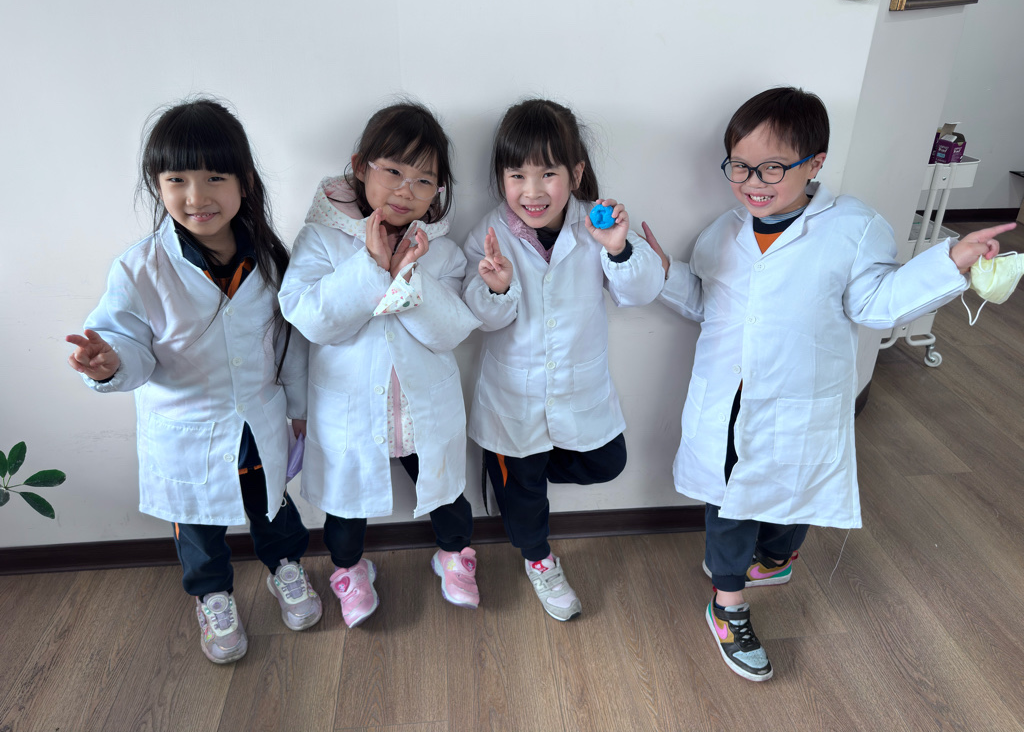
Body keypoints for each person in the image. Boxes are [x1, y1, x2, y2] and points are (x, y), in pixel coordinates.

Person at [641, 86, 1015, 681]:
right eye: (740, 166)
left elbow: (877, 304)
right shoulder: (723, 232)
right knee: (730, 500)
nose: (753, 182)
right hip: (729, 398)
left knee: (797, 493)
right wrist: (661, 273)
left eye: (772, 167)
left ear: (814, 163)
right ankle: (727, 604)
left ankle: (777, 558)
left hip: (802, 399)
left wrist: (950, 261)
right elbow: (704, 301)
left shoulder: (854, 228)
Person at [66, 98, 320, 665]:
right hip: (188, 429)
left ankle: (285, 567)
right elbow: (129, 346)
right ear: (156, 185)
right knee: (199, 528)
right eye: (177, 179)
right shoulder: (139, 269)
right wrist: (110, 364)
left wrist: (300, 408)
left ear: (244, 182)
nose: (196, 196)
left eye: (214, 178)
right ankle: (213, 597)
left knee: (273, 507)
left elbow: (290, 344)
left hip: (257, 420)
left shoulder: (270, 260)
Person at [279, 102, 482, 627]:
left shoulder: (441, 251)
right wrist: (370, 268)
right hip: (351, 411)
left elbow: (451, 330)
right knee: (346, 506)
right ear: (360, 167)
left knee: (446, 491)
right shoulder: (321, 239)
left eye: (423, 180)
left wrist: (409, 277)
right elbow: (310, 318)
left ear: (438, 190)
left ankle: (454, 554)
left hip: (421, 409)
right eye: (392, 171)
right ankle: (349, 569)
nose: (405, 190)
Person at [461, 99, 664, 621]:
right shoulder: (488, 234)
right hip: (514, 394)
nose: (532, 192)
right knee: (524, 493)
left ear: (575, 174)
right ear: (501, 178)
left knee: (607, 461)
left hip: (579, 387)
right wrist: (497, 288)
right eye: (517, 175)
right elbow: (480, 317)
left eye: (548, 174)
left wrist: (619, 248)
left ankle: (513, 474)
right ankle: (539, 559)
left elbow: (641, 291)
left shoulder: (597, 224)